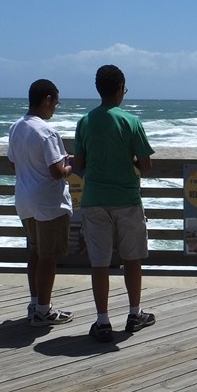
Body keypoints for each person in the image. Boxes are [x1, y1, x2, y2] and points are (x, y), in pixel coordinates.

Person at [73, 65, 156, 344]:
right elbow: (146, 165)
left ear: (98, 89)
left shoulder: (85, 122)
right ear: (121, 89)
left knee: (99, 262)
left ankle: (103, 321)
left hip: (94, 199)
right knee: (132, 259)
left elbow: (79, 164)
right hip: (127, 199)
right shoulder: (131, 122)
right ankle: (134, 314)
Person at [7, 79, 74, 328]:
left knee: (35, 251)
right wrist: (69, 166)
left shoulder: (16, 127)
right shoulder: (47, 131)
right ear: (47, 99)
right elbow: (57, 172)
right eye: (55, 103)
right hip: (48, 202)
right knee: (48, 256)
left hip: (24, 200)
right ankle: (44, 311)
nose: (54, 108)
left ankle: (35, 304)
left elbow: (12, 163)